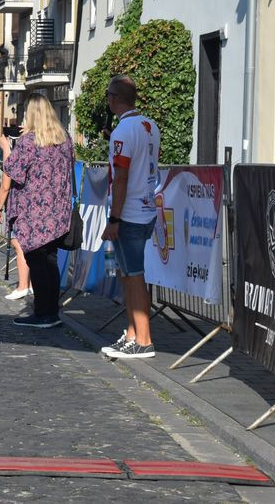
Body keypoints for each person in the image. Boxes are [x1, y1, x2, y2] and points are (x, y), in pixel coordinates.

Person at [0, 93, 73, 328]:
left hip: (34, 213)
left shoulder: (30, 142)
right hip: (58, 212)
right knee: (50, 260)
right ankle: (52, 311)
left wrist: (6, 148)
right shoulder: (65, 139)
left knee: (38, 262)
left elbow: (12, 171)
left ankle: (43, 313)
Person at [100, 75, 161, 360]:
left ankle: (144, 341)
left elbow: (122, 176)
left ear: (113, 99)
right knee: (127, 275)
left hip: (131, 213)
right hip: (146, 208)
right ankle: (132, 332)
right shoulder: (150, 126)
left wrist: (114, 219)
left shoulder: (123, 131)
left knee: (134, 277)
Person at [0, 171, 33, 301]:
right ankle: (31, 284)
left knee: (19, 245)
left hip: (19, 207)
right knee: (33, 246)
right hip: (36, 206)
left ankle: (23, 287)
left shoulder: (16, 157)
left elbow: (5, 186)